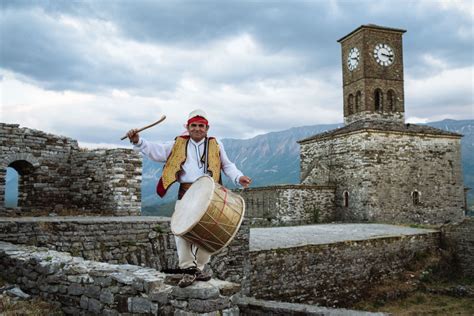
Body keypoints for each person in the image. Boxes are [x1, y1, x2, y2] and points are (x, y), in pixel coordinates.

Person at [127, 109, 251, 287]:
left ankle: (198, 268)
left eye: (201, 126)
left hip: (211, 195)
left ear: (207, 128)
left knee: (210, 232)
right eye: (194, 125)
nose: (197, 129)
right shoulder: (178, 143)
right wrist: (138, 140)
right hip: (186, 194)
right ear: (188, 127)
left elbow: (227, 165)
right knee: (181, 231)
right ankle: (188, 268)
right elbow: (158, 151)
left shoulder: (216, 144)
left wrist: (239, 177)